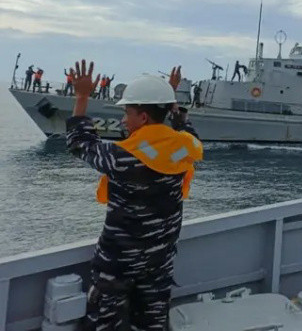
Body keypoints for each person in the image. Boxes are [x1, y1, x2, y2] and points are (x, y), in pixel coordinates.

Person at [66, 61, 203, 329]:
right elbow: (187, 131)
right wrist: (168, 97)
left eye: (127, 112)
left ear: (142, 118)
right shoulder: (185, 149)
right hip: (158, 264)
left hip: (117, 266)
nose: (122, 119)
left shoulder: (121, 157)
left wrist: (82, 97)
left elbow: (80, 142)